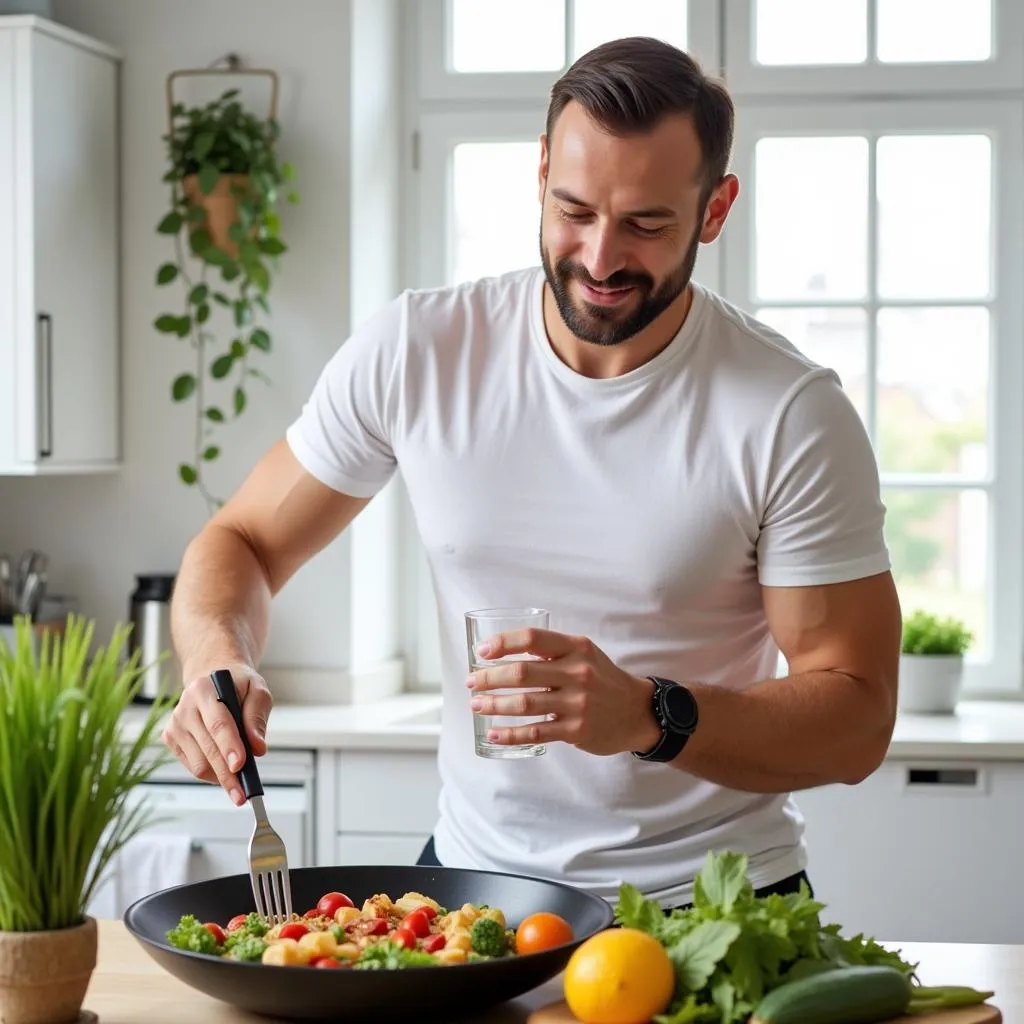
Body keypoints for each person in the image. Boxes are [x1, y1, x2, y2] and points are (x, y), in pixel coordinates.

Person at [162, 36, 901, 909]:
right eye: (574, 209)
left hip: (710, 905)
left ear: (715, 208)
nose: (598, 258)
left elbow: (856, 719)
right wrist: (216, 660)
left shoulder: (788, 411)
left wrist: (648, 715)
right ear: (541, 171)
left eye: (646, 224)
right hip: (474, 890)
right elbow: (242, 539)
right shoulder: (419, 351)